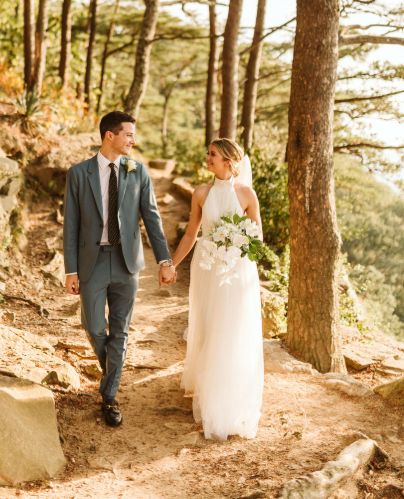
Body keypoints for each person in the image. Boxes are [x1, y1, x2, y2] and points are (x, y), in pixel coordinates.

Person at [63, 110, 176, 428]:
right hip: (91, 261)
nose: (133, 140)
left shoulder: (138, 172)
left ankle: (109, 396)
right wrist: (70, 269)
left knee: (121, 331)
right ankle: (112, 368)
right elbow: (70, 225)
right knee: (94, 326)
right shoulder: (78, 173)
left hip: (128, 263)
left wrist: (164, 261)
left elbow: (152, 218)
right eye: (128, 134)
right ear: (109, 135)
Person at [171, 138, 264, 440]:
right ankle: (207, 389)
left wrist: (236, 245)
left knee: (231, 330)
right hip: (206, 267)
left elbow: (257, 240)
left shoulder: (247, 195)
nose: (207, 158)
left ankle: (229, 400)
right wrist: (171, 265)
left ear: (228, 160)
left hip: (236, 272)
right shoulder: (201, 193)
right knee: (210, 326)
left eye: (213, 154)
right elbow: (190, 234)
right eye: (209, 153)